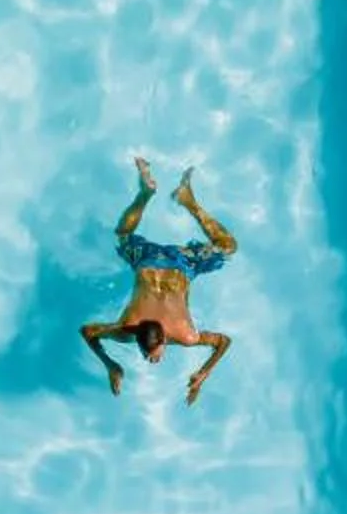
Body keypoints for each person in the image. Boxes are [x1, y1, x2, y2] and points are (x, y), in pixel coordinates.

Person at [80, 157, 237, 405]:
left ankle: (173, 198)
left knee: (228, 247)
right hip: (152, 261)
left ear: (164, 339)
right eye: (146, 353)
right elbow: (88, 331)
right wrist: (204, 371)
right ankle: (161, 195)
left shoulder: (184, 336)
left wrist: (111, 365)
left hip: (176, 265)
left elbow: (223, 342)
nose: (148, 358)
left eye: (149, 352)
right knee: (123, 236)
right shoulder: (127, 327)